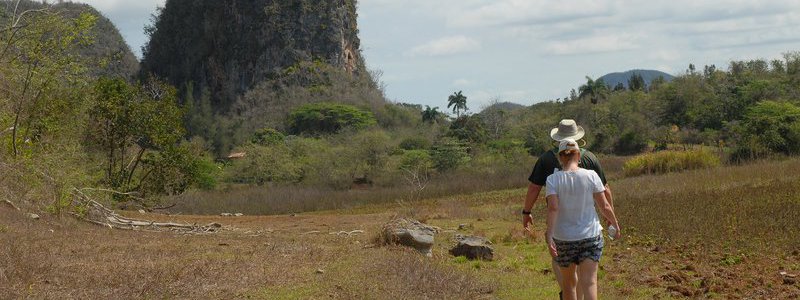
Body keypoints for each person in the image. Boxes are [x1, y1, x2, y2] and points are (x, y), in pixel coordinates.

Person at [521, 119, 615, 299]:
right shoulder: (590, 158)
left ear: (558, 140)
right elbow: (606, 189)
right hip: (588, 229)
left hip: (561, 231)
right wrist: (611, 217)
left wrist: (526, 212)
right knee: (588, 280)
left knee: (568, 279)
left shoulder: (546, 159)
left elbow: (534, 188)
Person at [545, 139, 620, 300]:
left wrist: (549, 235)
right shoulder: (591, 175)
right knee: (590, 282)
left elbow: (553, 208)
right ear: (578, 155)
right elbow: (605, 206)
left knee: (568, 283)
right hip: (590, 236)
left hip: (563, 238)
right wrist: (614, 223)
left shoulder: (552, 180)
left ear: (560, 157)